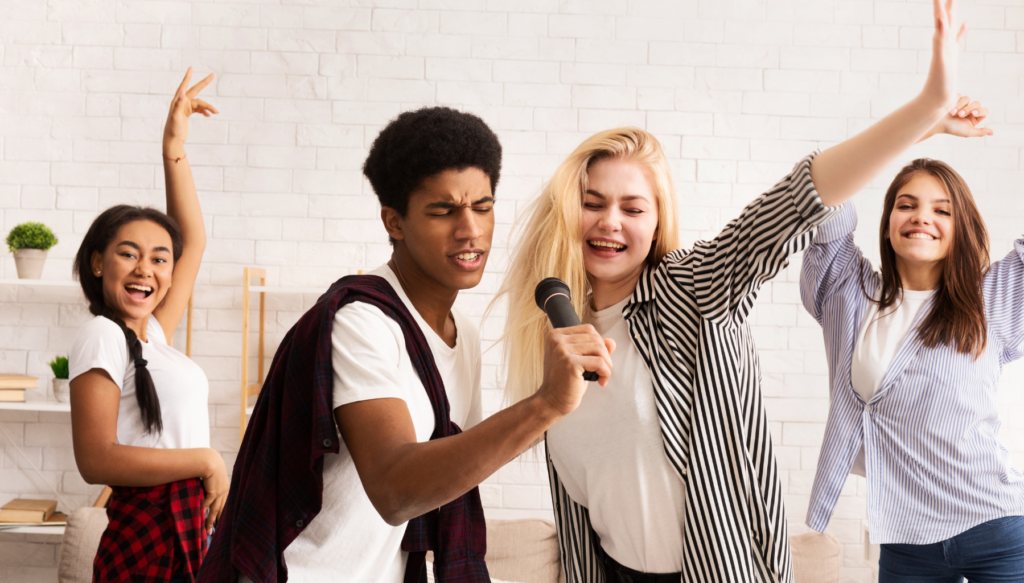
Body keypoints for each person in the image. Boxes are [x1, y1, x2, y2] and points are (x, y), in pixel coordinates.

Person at [493, 2, 987, 582]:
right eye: (593, 203)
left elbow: (792, 205)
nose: (610, 223)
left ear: (656, 223)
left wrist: (923, 112)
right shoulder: (556, 330)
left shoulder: (692, 290)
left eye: (633, 208)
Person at [198, 106, 614, 583]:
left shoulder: (465, 334)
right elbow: (396, 489)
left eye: (483, 206)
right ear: (394, 222)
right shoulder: (361, 323)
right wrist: (543, 406)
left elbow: (457, 470)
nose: (470, 229)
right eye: (443, 210)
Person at [799, 118, 1024, 580]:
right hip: (904, 539)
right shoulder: (847, 289)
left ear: (960, 228)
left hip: (996, 528)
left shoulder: (989, 297)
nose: (923, 217)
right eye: (907, 205)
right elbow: (822, 184)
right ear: (886, 225)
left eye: (942, 210)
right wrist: (921, 126)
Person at [68, 68, 223, 583]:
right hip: (148, 531)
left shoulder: (151, 335)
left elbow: (193, 242)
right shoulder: (102, 335)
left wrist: (174, 147)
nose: (146, 269)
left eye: (159, 259)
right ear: (97, 263)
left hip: (184, 527)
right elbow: (96, 459)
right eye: (128, 254)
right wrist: (204, 460)